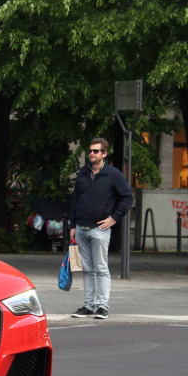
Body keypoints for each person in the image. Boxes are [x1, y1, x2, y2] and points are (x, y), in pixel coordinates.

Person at [69, 137, 132, 319]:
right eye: (90, 151)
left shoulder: (113, 174)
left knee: (101, 267)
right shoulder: (83, 173)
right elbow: (75, 200)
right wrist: (73, 225)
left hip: (100, 229)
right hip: (82, 227)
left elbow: (127, 197)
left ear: (104, 154)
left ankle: (102, 306)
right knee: (87, 268)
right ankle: (89, 306)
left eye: (95, 151)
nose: (91, 154)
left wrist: (114, 218)